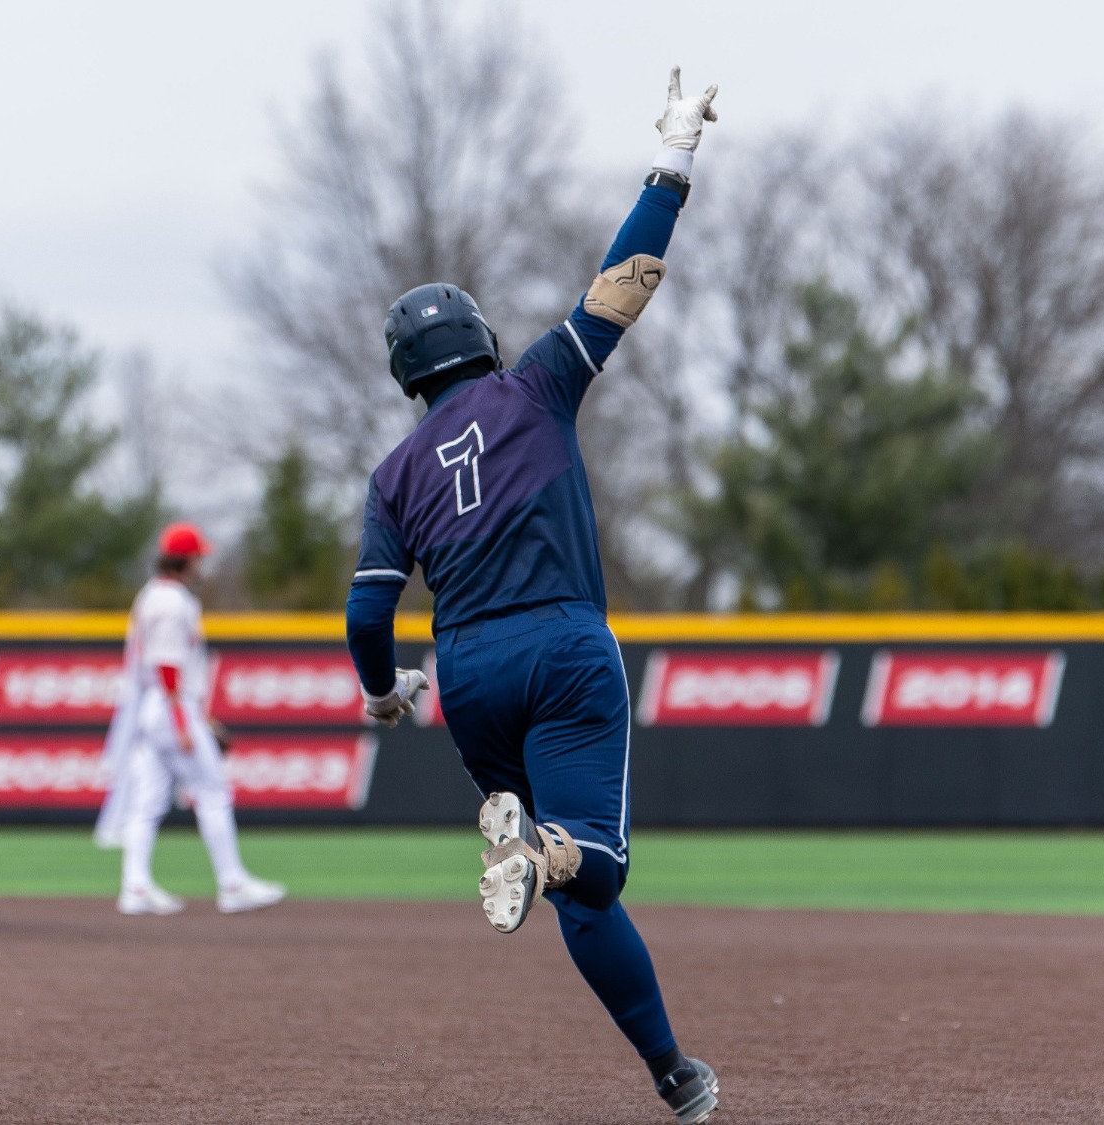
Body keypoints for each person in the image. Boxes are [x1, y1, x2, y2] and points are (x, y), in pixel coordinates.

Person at [344, 68, 722, 1124]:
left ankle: (674, 1075)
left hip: (466, 671)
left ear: (406, 378)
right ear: (480, 342)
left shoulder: (394, 474)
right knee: (593, 862)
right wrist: (673, 159)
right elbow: (625, 280)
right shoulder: (535, 386)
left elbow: (366, 614)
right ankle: (552, 852)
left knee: (577, 888)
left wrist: (382, 696)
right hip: (561, 646)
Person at [96, 522, 286, 915]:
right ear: (185, 560)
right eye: (199, 557)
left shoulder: (153, 595)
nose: (203, 564)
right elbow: (166, 665)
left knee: (147, 802)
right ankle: (232, 884)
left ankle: (135, 887)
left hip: (156, 707)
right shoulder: (171, 601)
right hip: (168, 708)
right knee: (213, 791)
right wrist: (184, 723)